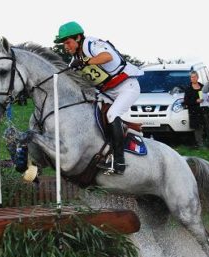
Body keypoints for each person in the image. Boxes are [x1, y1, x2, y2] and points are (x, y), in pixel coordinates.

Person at [54, 21, 143, 175]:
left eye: (68, 42)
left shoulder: (92, 43)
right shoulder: (74, 60)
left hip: (126, 87)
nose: (66, 47)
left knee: (112, 114)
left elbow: (107, 56)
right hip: (107, 93)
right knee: (90, 113)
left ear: (78, 37)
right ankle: (103, 150)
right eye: (63, 44)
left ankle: (119, 161)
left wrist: (85, 61)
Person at [183, 71, 206, 148]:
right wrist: (196, 101)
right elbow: (186, 101)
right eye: (192, 77)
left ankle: (203, 142)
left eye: (194, 77)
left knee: (203, 126)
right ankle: (199, 143)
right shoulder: (188, 88)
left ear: (197, 77)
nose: (193, 78)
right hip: (193, 110)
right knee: (196, 127)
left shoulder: (202, 87)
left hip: (203, 109)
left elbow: (206, 96)